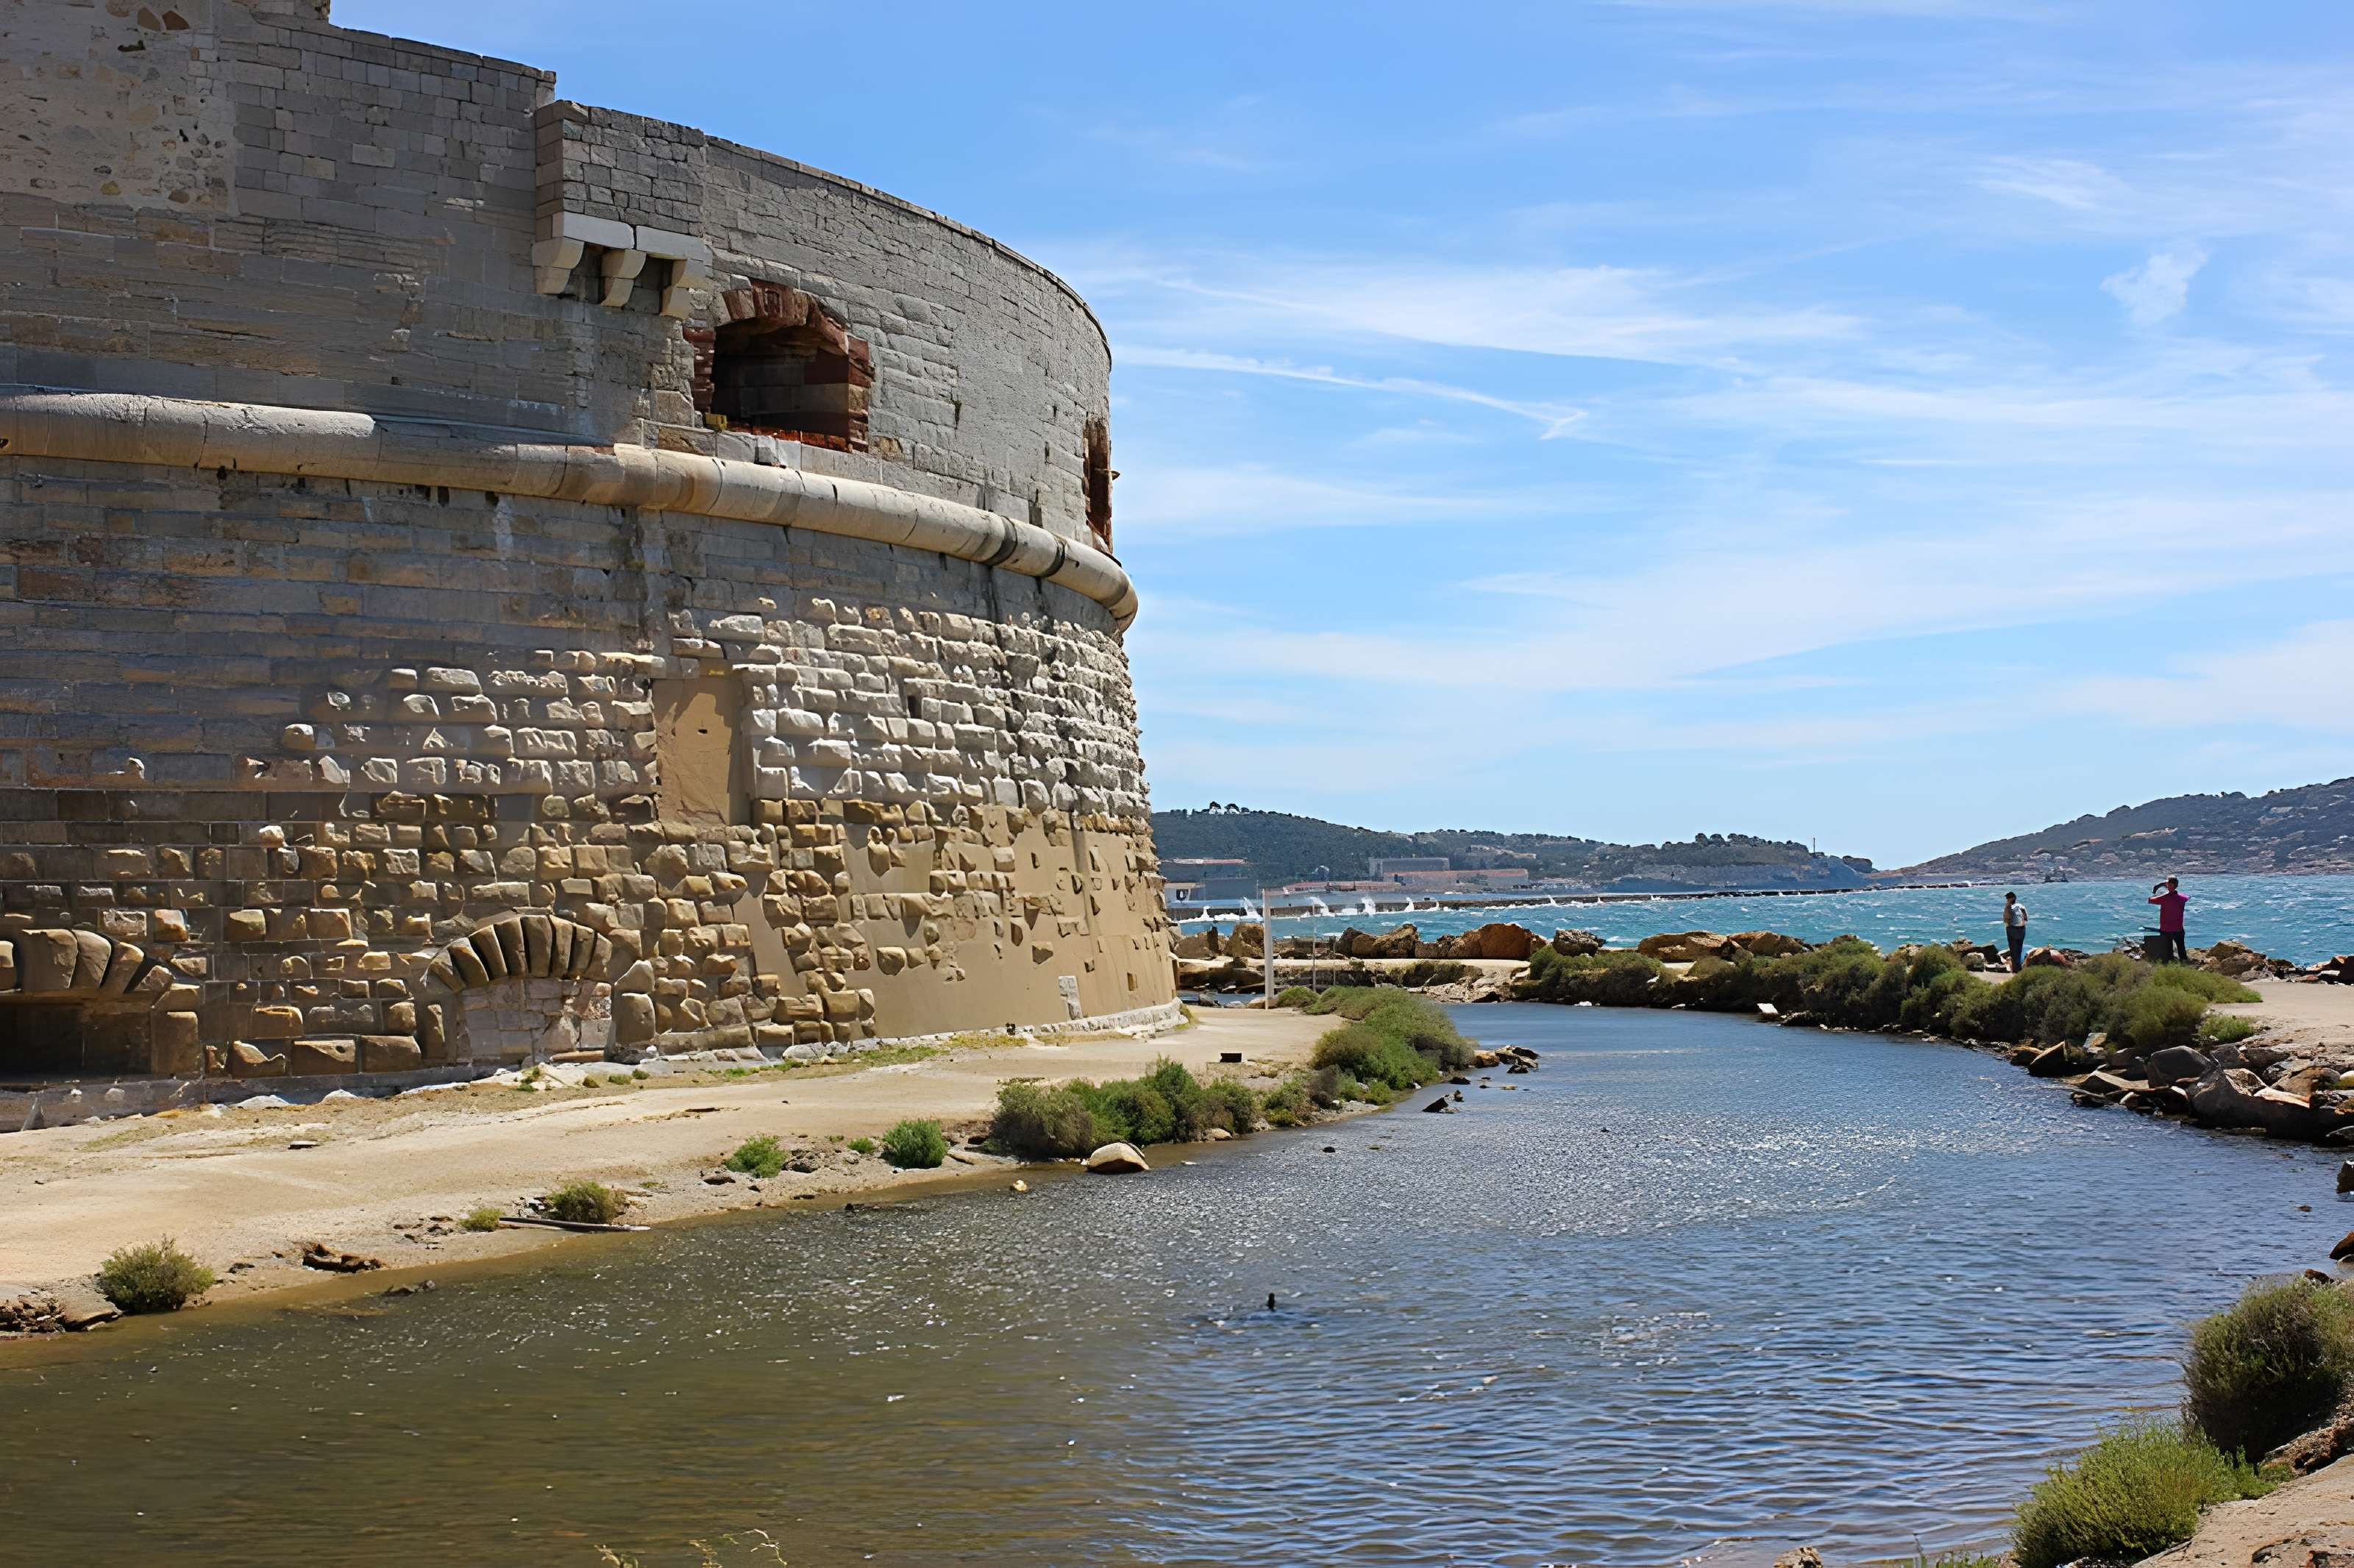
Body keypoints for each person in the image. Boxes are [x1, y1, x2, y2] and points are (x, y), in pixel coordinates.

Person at [2149, 877, 2188, 963]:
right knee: (2181, 949)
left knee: (2168, 951)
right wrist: (2166, 885)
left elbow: (2150, 900)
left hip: (2166, 929)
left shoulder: (2164, 898)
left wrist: (2157, 888)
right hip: (2178, 929)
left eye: (2167, 884)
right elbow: (2187, 897)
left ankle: (2170, 965)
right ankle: (2185, 965)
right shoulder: (2183, 898)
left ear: (2169, 885)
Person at [2003, 891, 2028, 972]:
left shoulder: (2010, 907)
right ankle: (2019, 967)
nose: (2007, 900)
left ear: (2012, 898)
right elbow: (2026, 918)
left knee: (2013, 950)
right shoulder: (2021, 906)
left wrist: (2007, 906)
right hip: (2022, 930)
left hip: (2012, 930)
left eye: (2008, 898)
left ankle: (2016, 970)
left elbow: (2006, 919)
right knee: (2019, 949)